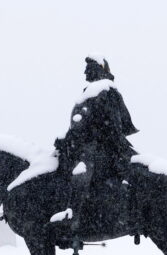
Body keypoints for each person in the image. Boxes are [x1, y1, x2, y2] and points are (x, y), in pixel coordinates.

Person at [55, 56, 139, 239]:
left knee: (81, 173)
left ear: (99, 69)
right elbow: (78, 124)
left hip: (99, 149)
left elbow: (114, 126)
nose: (85, 72)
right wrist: (66, 139)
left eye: (88, 68)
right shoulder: (90, 92)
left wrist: (95, 135)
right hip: (85, 146)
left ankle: (73, 217)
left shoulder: (106, 91)